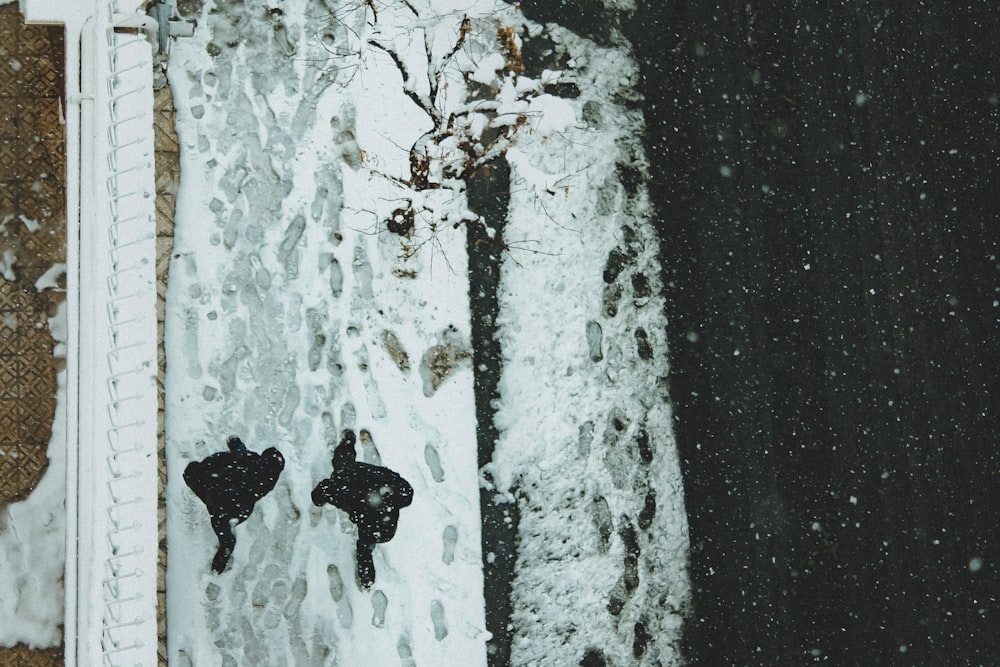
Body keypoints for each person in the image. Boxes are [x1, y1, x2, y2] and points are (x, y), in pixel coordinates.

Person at [312, 429, 413, 587]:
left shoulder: (340, 488)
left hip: (376, 522)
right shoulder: (365, 477)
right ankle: (367, 579)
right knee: (366, 544)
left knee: (365, 545)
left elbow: (318, 496)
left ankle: (367, 579)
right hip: (385, 520)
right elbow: (406, 493)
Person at [183, 436, 285, 573]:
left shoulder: (247, 459)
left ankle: (225, 549)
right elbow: (243, 456)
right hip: (239, 510)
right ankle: (221, 558)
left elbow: (234, 458)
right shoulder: (269, 479)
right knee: (226, 529)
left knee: (192, 474)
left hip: (218, 498)